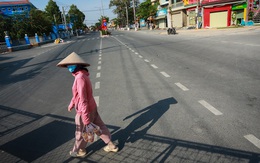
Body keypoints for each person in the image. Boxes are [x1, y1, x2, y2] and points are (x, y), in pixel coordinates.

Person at [57, 52, 118, 158]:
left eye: (71, 65)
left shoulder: (79, 78)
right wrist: (72, 103)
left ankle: (79, 150)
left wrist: (85, 118)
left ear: (77, 65)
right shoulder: (82, 74)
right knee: (99, 127)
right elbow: (78, 95)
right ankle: (111, 145)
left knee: (80, 132)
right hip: (92, 107)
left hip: (84, 110)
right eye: (68, 66)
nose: (68, 67)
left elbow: (83, 99)